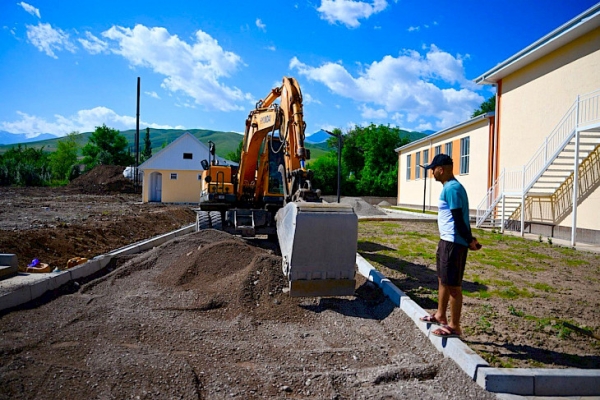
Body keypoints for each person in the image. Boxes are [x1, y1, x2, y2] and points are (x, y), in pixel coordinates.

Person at [419, 154, 481, 338]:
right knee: (443, 280)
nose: (432, 173)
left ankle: (454, 326)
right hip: (447, 241)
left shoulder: (452, 188)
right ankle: (440, 315)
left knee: (453, 285)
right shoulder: (450, 188)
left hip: (453, 243)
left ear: (442, 169)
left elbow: (457, 218)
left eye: (433, 169)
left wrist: (469, 240)